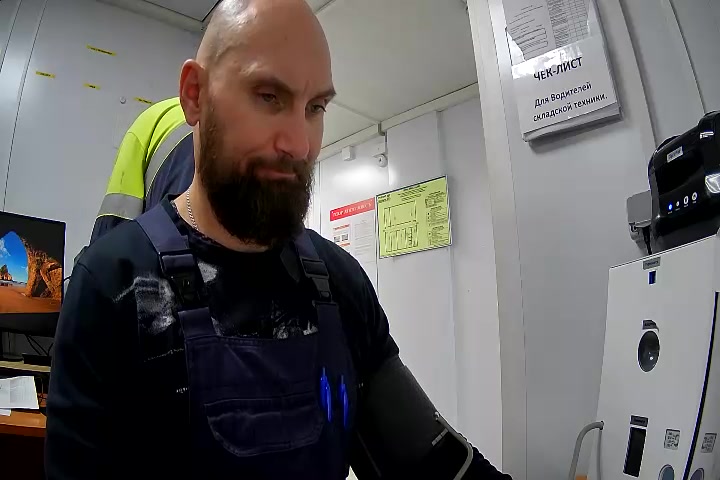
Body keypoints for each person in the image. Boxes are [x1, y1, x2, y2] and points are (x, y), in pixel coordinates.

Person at [45, 0, 512, 478]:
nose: (299, 144)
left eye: (315, 107)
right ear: (194, 95)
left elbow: (432, 464)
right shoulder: (113, 285)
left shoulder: (339, 284)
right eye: (269, 96)